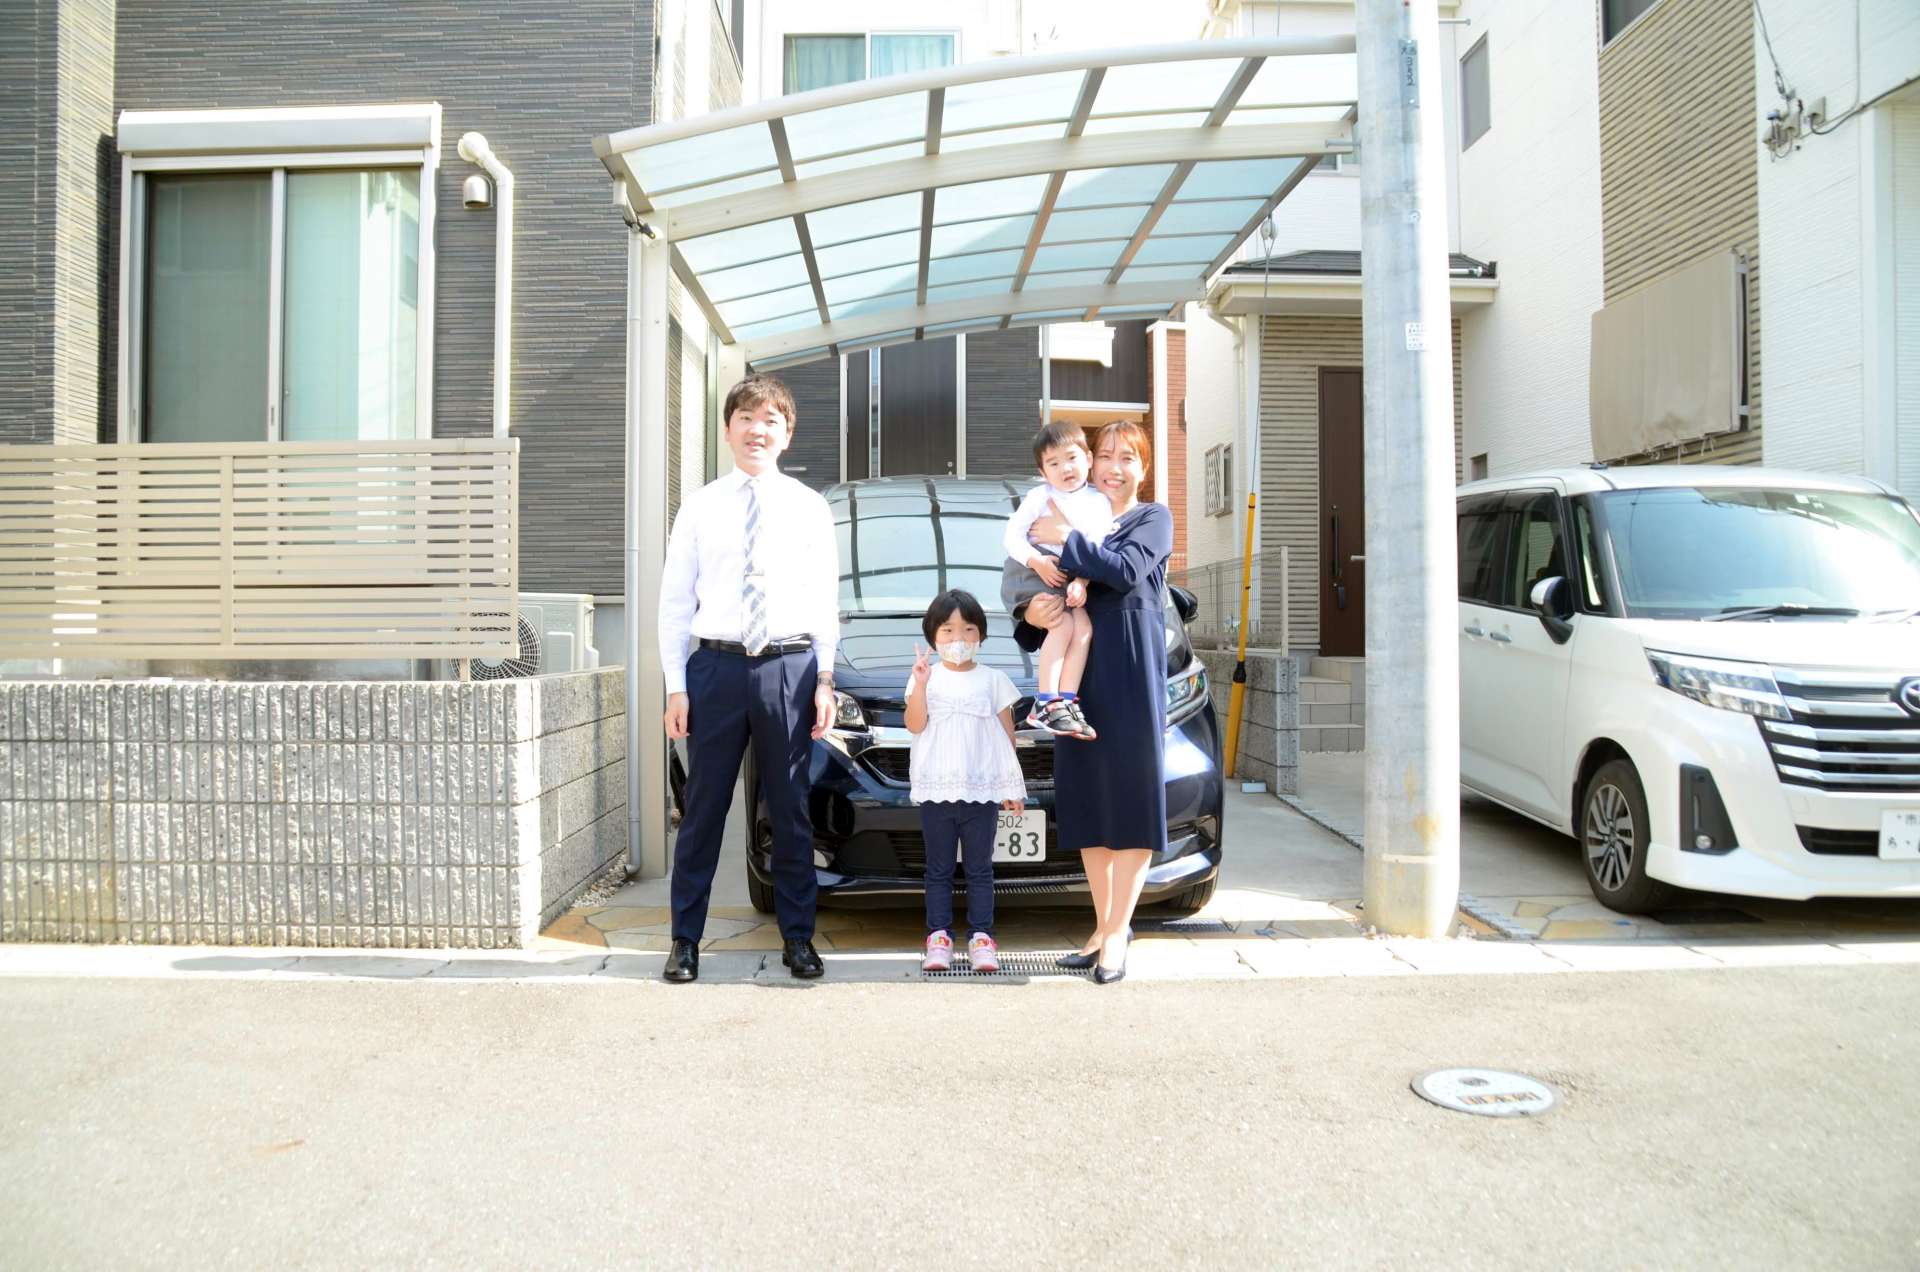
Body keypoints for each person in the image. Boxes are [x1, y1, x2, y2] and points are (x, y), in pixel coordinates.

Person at [656, 375, 838, 984]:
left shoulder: (809, 506)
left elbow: (824, 598)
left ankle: (798, 938)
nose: (758, 430)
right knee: (704, 807)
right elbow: (675, 602)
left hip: (789, 665)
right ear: (729, 429)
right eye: (746, 419)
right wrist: (676, 684)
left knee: (790, 808)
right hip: (716, 668)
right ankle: (685, 941)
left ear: (787, 435)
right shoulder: (701, 505)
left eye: (771, 421)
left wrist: (825, 677)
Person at [1024, 421, 1172, 985]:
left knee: (1132, 798)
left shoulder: (1152, 518)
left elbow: (1126, 570)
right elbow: (1034, 583)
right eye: (1105, 455)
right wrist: (1030, 610)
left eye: (1126, 457)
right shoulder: (1071, 511)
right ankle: (1103, 925)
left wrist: (1066, 537)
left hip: (1130, 668)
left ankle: (1116, 932)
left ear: (1143, 469)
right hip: (1076, 677)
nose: (1113, 467)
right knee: (1087, 798)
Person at [902, 589, 1027, 975]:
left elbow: (1008, 737)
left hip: (981, 792)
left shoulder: (994, 680)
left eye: (968, 629)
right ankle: (938, 937)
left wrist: (1011, 788)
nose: (959, 638)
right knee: (938, 869)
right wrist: (920, 684)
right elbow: (915, 725)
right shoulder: (925, 678)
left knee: (980, 869)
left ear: (981, 635)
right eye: (948, 630)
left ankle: (982, 938)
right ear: (932, 636)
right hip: (937, 790)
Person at [1000, 421, 1113, 741]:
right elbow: (1012, 536)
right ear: (1043, 471)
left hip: (1069, 573)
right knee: (1061, 625)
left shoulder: (1099, 502)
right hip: (1031, 569)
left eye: (1071, 458)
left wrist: (1082, 582)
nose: (1065, 468)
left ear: (1088, 459)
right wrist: (1036, 561)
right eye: (1053, 463)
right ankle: (1046, 702)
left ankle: (1067, 701)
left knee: (1083, 629)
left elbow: (1096, 547)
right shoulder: (1040, 496)